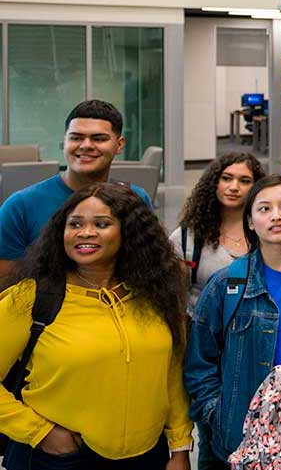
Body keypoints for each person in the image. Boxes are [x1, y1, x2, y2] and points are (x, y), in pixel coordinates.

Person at [0, 183, 192, 470]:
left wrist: (179, 448)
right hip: (57, 457)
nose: (85, 232)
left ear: (129, 233)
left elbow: (171, 377)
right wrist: (39, 432)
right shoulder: (31, 297)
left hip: (148, 456)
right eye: (74, 224)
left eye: (101, 224)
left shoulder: (155, 296)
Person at [184, 175, 281, 469]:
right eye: (264, 209)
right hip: (239, 435)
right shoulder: (226, 284)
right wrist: (219, 412)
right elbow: (199, 363)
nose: (276, 216)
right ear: (251, 222)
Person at [0, 100, 152, 274]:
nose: (86, 145)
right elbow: (5, 284)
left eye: (99, 138)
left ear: (119, 144)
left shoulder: (135, 199)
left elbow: (148, 267)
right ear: (64, 141)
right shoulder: (21, 205)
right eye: (76, 137)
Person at [169, 152, 266, 311]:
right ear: (214, 183)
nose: (234, 187)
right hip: (201, 329)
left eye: (244, 181)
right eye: (226, 178)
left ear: (256, 187)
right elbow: (175, 298)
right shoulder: (187, 237)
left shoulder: (267, 232)